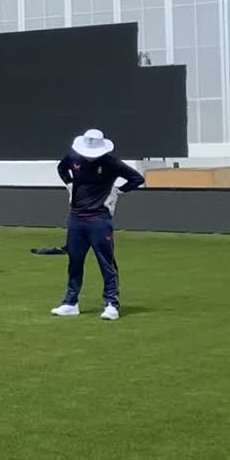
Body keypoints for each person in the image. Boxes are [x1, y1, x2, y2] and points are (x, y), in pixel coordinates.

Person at [50, 129, 143, 321]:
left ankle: (111, 304)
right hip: (76, 218)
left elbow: (137, 178)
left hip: (99, 219)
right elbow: (61, 168)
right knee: (74, 262)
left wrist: (118, 191)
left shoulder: (111, 162)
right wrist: (69, 183)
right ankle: (70, 302)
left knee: (106, 262)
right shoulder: (73, 157)